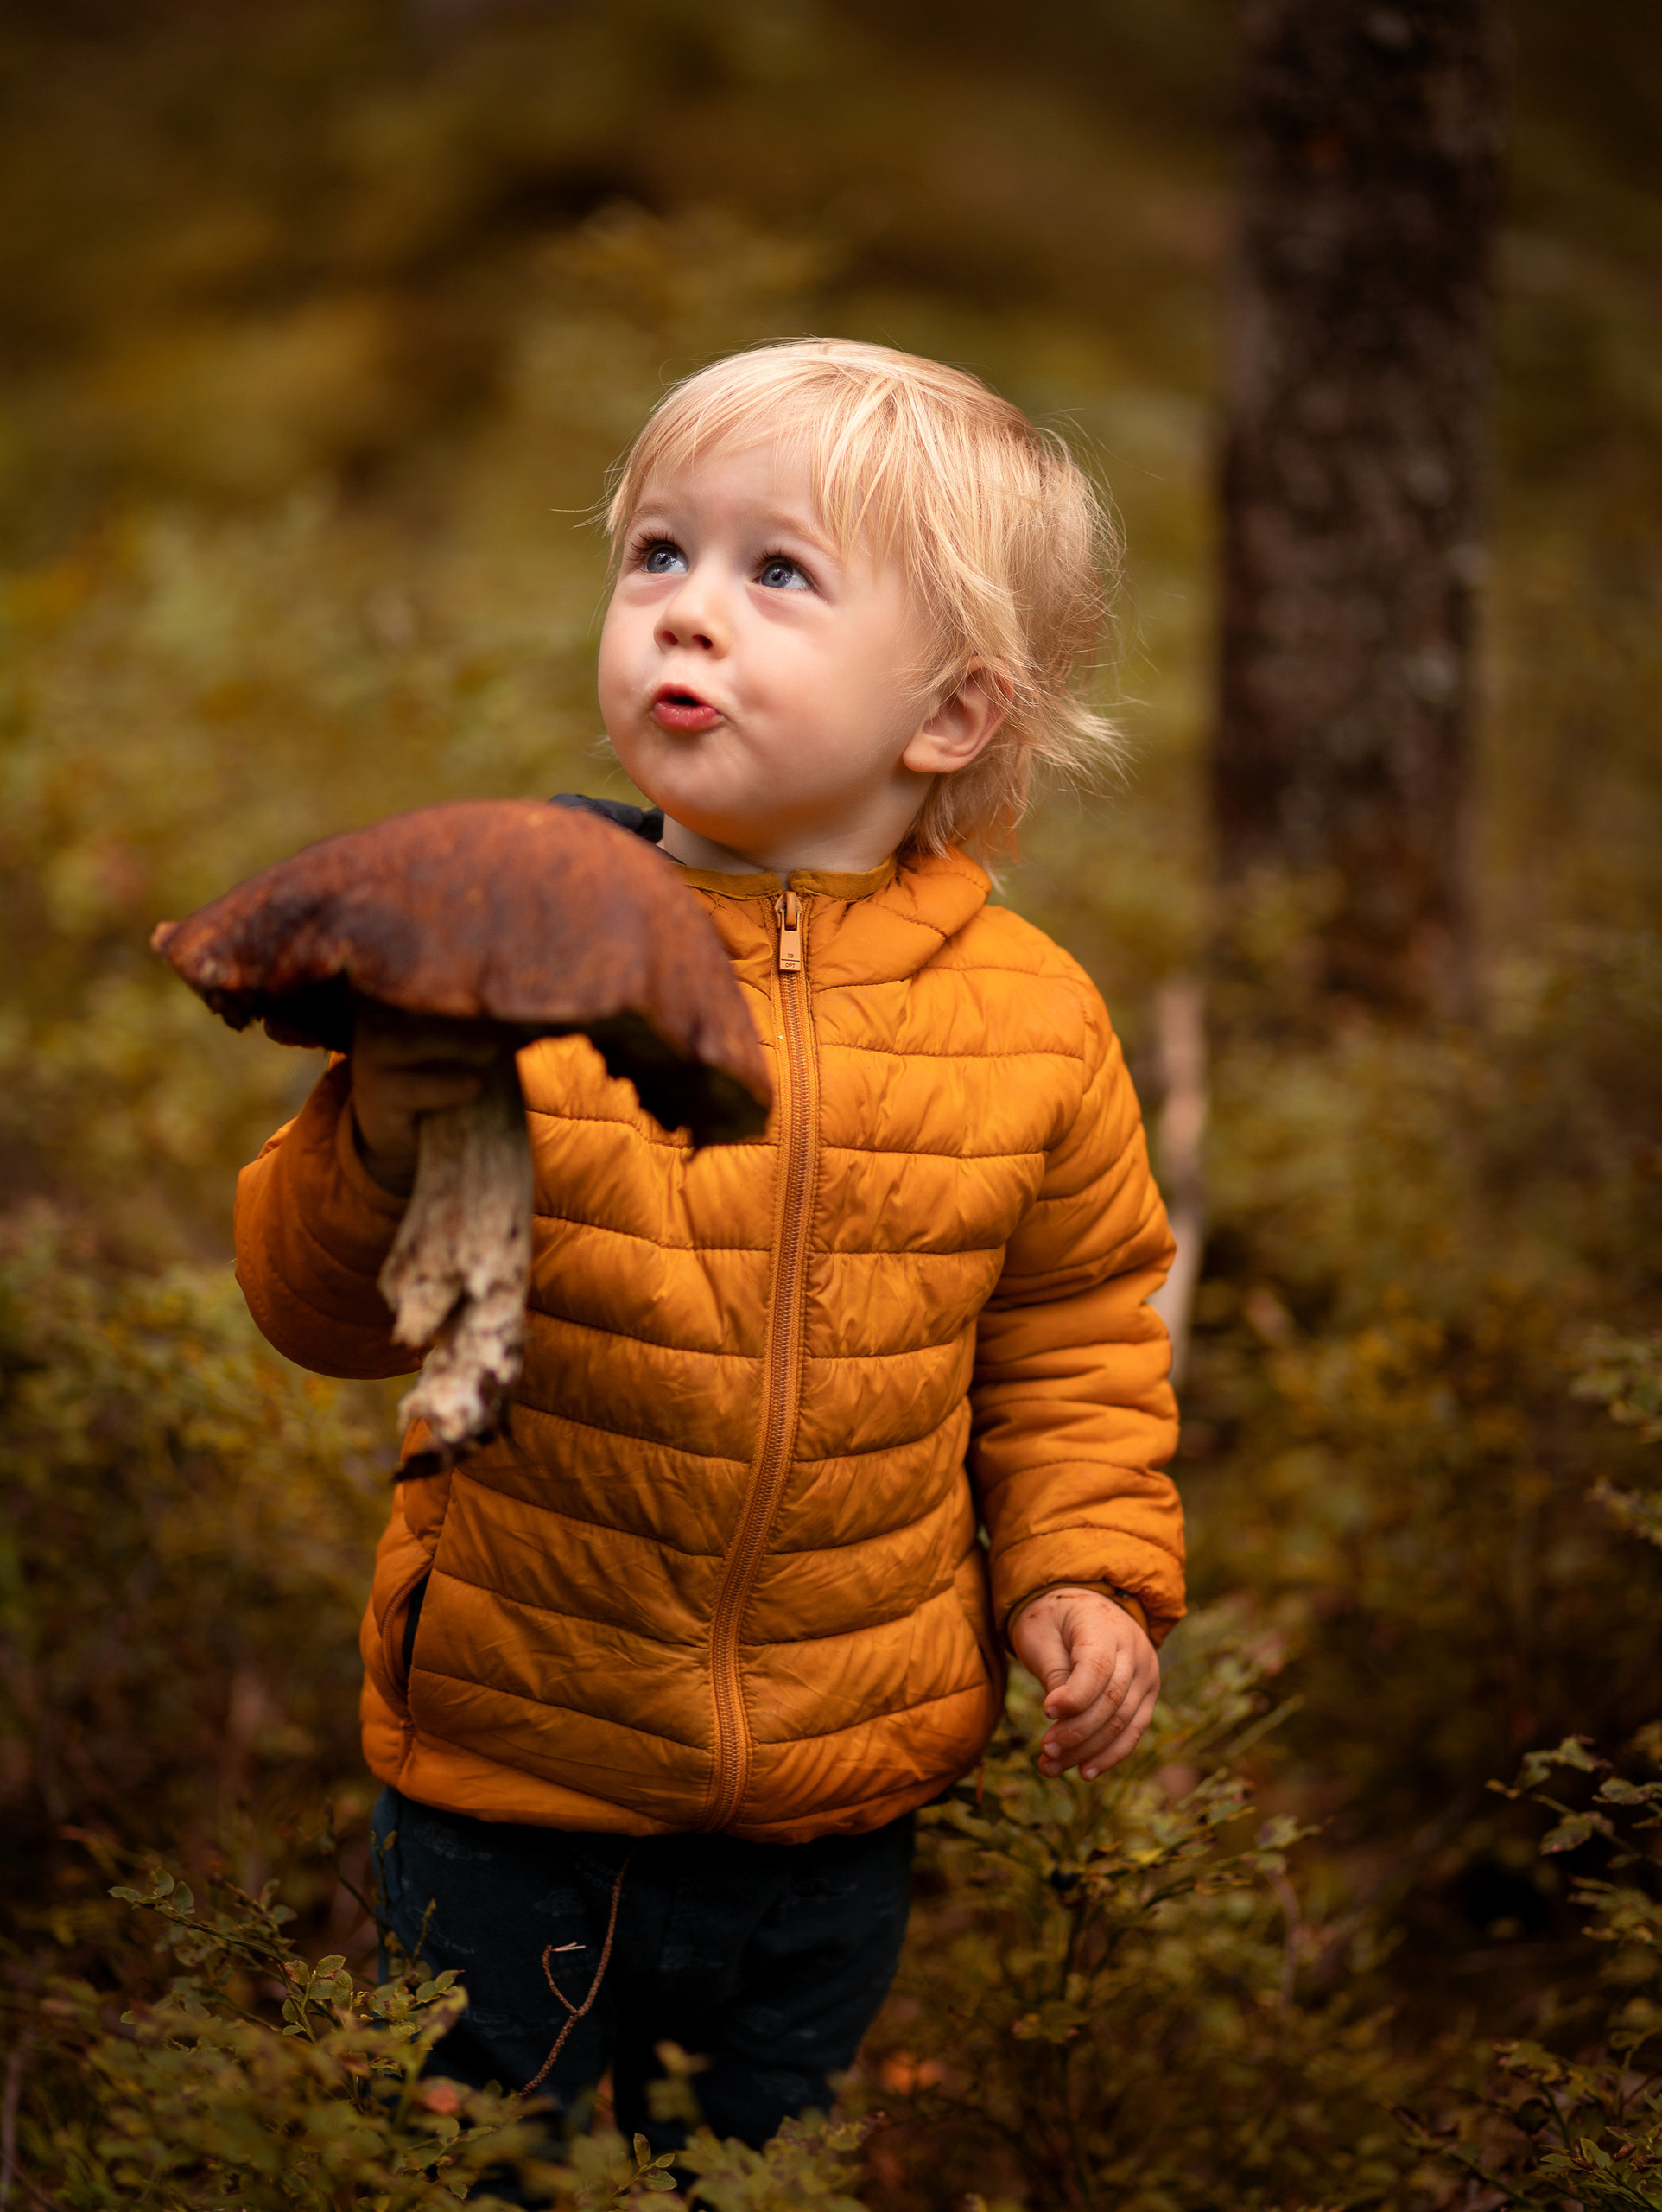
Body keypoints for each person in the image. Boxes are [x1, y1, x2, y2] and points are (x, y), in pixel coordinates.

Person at [234, 338, 1184, 2158]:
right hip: (518, 1765)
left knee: (746, 2161)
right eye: (656, 554)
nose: (684, 614)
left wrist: (1083, 1565)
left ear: (953, 715)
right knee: (473, 2156)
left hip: (838, 1794)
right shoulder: (508, 947)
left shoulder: (1031, 1017)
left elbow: (1069, 1326)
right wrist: (395, 1093)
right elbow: (322, 1309)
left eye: (776, 574)